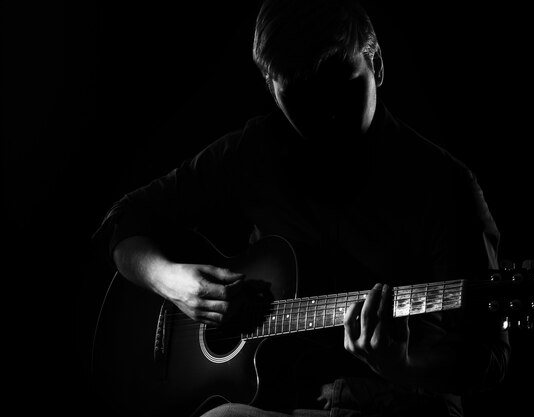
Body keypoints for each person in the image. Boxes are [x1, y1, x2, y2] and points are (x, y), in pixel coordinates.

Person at [93, 0, 510, 416]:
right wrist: (174, 284)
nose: (325, 113)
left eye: (341, 84)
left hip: (394, 402)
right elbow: (125, 222)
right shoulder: (253, 152)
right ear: (272, 90)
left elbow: (487, 358)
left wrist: (403, 365)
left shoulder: (446, 186)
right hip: (278, 397)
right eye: (299, 97)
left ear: (376, 64)